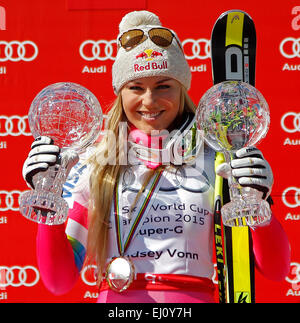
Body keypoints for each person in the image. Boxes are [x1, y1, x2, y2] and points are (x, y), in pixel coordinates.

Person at [22, 10, 290, 303]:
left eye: (164, 86)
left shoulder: (216, 159)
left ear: (182, 89)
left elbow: (276, 270)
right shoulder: (96, 164)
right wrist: (48, 204)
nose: (149, 101)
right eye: (135, 87)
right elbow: (59, 281)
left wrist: (259, 206)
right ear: (120, 93)